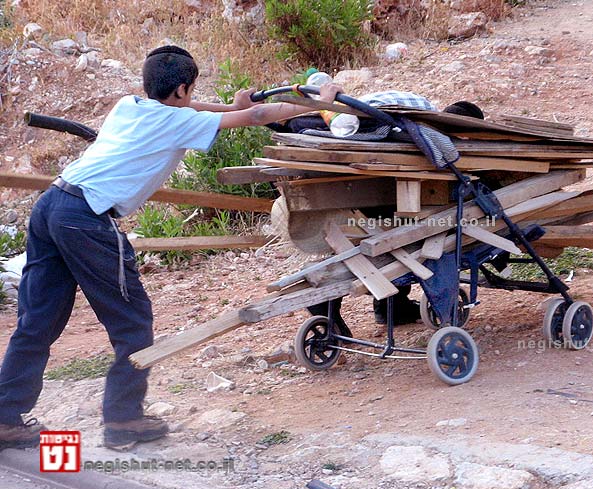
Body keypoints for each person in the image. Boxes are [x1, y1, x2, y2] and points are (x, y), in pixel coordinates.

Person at [0, 45, 343, 451]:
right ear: (182, 87)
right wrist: (319, 103)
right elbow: (256, 116)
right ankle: (124, 419)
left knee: (37, 320)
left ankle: (5, 418)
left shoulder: (129, 105)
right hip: (86, 217)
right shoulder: (177, 121)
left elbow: (203, 109)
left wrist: (226, 104)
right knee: (132, 322)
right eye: (190, 89)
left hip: (51, 205)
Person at [306, 93, 485, 328]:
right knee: (410, 240)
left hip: (361, 196)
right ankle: (378, 304)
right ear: (464, 131)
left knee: (376, 239)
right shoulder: (434, 140)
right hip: (394, 205)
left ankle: (392, 306)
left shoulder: (412, 127)